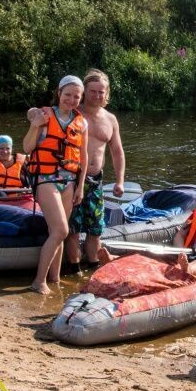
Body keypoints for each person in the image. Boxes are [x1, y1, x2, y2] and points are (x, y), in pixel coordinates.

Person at [24, 76, 89, 294]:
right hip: (46, 179)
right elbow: (27, 147)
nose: (71, 99)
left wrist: (80, 186)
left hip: (69, 181)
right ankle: (39, 281)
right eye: (68, 94)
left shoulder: (82, 122)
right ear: (59, 93)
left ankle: (54, 279)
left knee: (57, 231)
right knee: (62, 230)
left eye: (76, 96)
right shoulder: (43, 115)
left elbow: (83, 157)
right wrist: (34, 126)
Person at [63, 69, 126, 274]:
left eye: (101, 92)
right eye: (93, 91)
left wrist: (120, 181)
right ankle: (74, 269)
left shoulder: (110, 119)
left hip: (96, 181)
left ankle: (92, 267)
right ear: (85, 91)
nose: (97, 95)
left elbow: (117, 152)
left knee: (95, 228)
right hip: (71, 178)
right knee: (72, 228)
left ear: (107, 93)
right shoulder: (73, 112)